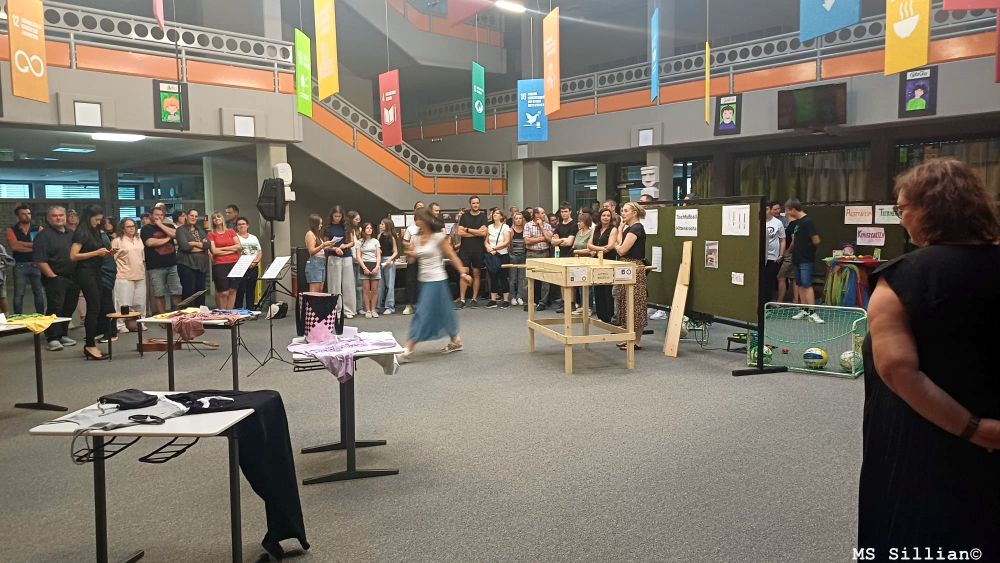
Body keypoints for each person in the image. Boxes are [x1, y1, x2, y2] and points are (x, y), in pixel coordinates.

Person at [858, 159, 1000, 556]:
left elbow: (897, 369)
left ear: (929, 210)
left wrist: (975, 429)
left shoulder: (902, 277)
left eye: (902, 209)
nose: (901, 218)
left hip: (922, 446)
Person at [397, 207, 473, 363]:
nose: (417, 221)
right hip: (424, 281)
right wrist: (410, 253)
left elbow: (451, 255)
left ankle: (408, 349)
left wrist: (463, 273)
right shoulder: (416, 238)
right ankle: (456, 340)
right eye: (416, 218)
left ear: (426, 220)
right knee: (443, 312)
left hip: (437, 280)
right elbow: (412, 260)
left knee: (422, 313)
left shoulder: (438, 237)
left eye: (419, 218)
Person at [69, 205, 112, 360]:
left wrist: (107, 253)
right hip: (84, 272)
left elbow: (95, 252)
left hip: (95, 270)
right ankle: (89, 345)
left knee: (97, 307)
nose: (98, 222)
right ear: (88, 217)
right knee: (93, 308)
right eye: (96, 219)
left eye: (100, 219)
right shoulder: (81, 232)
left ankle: (91, 343)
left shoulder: (95, 231)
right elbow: (73, 256)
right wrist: (96, 253)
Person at [33, 207, 79, 351]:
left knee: (69, 307)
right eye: (54, 216)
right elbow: (40, 260)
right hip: (54, 277)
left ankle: (63, 334)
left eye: (61, 215)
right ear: (48, 218)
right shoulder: (43, 236)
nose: (58, 218)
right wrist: (53, 277)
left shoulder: (71, 234)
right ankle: (52, 338)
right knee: (55, 307)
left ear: (65, 217)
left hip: (73, 277)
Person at [613, 202, 648, 350]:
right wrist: (620, 229)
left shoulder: (637, 228)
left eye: (626, 211)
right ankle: (629, 338)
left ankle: (636, 341)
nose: (623, 213)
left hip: (634, 267)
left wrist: (616, 246)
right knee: (625, 302)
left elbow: (621, 249)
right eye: (622, 210)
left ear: (634, 212)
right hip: (625, 266)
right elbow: (620, 244)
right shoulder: (629, 228)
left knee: (635, 303)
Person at [785, 199, 823, 323]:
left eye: (787, 210)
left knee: (807, 284)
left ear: (793, 209)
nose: (786, 213)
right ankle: (804, 309)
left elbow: (816, 240)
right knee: (800, 284)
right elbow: (795, 240)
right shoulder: (798, 223)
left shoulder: (808, 221)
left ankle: (812, 312)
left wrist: (807, 249)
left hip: (806, 259)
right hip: (796, 258)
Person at [141, 206, 181, 314]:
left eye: (162, 215)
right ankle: (162, 318)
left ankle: (177, 315)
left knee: (177, 291)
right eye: (157, 215)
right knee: (159, 293)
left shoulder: (169, 225)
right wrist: (168, 238)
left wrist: (160, 225)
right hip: (155, 267)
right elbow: (150, 243)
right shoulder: (146, 228)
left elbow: (176, 234)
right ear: (151, 216)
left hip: (172, 264)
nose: (159, 217)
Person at [6, 204, 45, 315]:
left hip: (37, 264)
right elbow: (14, 247)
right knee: (19, 294)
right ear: (18, 216)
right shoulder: (11, 230)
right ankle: (18, 317)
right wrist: (33, 246)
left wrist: (22, 243)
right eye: (23, 214)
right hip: (20, 265)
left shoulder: (38, 228)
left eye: (28, 213)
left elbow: (41, 246)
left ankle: (41, 317)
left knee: (39, 293)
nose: (27, 216)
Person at [111, 218, 146, 333]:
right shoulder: (117, 241)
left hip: (140, 274)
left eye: (133, 226)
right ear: (122, 228)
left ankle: (140, 323)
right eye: (128, 226)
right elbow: (112, 259)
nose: (132, 228)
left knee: (140, 303)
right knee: (123, 303)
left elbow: (142, 257)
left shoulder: (138, 239)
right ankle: (120, 325)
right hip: (123, 275)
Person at [455, 195, 488, 309]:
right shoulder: (464, 216)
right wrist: (477, 232)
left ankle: (474, 299)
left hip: (478, 249)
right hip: (465, 249)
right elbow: (460, 232)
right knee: (464, 273)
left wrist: (468, 230)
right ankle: (462, 299)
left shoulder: (483, 216)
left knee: (476, 273)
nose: (476, 205)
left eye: (477, 203)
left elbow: (484, 233)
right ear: (470, 204)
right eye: (473, 203)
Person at [325, 206, 357, 319]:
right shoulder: (327, 227)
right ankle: (336, 311)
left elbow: (352, 242)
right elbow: (325, 245)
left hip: (346, 256)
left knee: (348, 284)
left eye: (339, 216)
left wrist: (344, 246)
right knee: (334, 285)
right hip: (333, 257)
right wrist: (335, 249)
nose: (337, 218)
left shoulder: (347, 226)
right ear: (332, 216)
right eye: (335, 216)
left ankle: (349, 310)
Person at [588, 208, 620, 323]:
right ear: (600, 217)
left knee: (607, 290)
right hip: (597, 262)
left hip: (608, 261)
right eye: (603, 215)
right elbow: (589, 245)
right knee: (598, 288)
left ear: (611, 218)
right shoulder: (596, 228)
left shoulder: (613, 229)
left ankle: (609, 316)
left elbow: (610, 246)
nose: (606, 217)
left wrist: (596, 249)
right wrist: (600, 249)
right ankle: (601, 316)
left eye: (608, 215)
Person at [174, 209, 209, 307]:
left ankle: (200, 314)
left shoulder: (200, 230)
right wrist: (201, 246)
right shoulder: (180, 230)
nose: (194, 218)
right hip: (187, 265)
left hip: (201, 266)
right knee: (189, 293)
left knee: (200, 293)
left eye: (196, 216)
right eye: (191, 215)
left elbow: (208, 245)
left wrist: (193, 243)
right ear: (186, 216)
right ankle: (187, 315)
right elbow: (185, 247)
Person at [207, 211, 241, 310]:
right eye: (214, 218)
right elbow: (214, 251)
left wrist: (221, 249)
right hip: (220, 264)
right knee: (223, 292)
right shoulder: (211, 234)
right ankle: (223, 314)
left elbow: (239, 246)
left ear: (222, 219)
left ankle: (229, 314)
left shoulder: (231, 231)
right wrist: (232, 249)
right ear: (212, 221)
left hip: (234, 263)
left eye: (218, 217)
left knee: (232, 290)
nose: (216, 219)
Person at [524, 207, 554, 311]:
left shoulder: (547, 226)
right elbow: (527, 241)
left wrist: (541, 226)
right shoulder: (528, 225)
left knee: (545, 279)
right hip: (531, 253)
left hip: (545, 253)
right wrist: (542, 238)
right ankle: (529, 302)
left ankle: (543, 302)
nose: (544, 215)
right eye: (542, 213)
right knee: (529, 279)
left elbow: (549, 239)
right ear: (536, 215)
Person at [400, 201, 425, 315]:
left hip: (424, 258)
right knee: (410, 281)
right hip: (413, 258)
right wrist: (410, 246)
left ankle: (422, 305)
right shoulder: (410, 228)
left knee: (423, 282)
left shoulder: (429, 228)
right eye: (418, 207)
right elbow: (405, 241)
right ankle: (409, 305)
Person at [485, 208, 511, 309]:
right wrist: (489, 249)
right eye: (493, 213)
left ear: (501, 216)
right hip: (492, 255)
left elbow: (506, 241)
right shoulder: (489, 227)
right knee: (493, 277)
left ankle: (506, 300)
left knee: (503, 277)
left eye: (497, 213)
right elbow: (486, 241)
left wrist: (494, 248)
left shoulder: (505, 227)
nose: (494, 215)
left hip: (502, 255)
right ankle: (493, 300)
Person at [234, 217, 262, 310]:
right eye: (239, 224)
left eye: (243, 224)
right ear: (236, 226)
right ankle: (239, 309)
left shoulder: (254, 237)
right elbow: (234, 253)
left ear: (247, 225)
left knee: (251, 289)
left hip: (253, 267)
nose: (241, 226)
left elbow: (259, 251)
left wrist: (255, 262)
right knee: (240, 290)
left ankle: (250, 309)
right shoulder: (235, 238)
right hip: (240, 267)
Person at [569, 213, 595, 315]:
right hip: (577, 261)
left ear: (586, 222)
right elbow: (574, 245)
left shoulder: (592, 232)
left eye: (580, 221)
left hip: (588, 261)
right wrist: (574, 251)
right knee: (580, 284)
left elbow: (590, 249)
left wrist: (576, 252)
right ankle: (581, 306)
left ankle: (589, 307)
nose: (578, 223)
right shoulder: (578, 232)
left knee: (588, 285)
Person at [355, 222, 382, 319]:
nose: (369, 229)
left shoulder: (375, 241)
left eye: (371, 228)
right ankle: (368, 310)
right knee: (366, 290)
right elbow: (358, 256)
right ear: (363, 230)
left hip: (375, 265)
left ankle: (373, 309)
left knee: (374, 290)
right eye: (367, 228)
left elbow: (378, 255)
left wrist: (377, 266)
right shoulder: (359, 242)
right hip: (364, 265)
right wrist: (364, 268)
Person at [304, 214, 333, 293]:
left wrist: (329, 246)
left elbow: (320, 249)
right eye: (320, 223)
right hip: (315, 263)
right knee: (315, 291)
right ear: (315, 224)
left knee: (320, 289)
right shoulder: (310, 234)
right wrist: (323, 245)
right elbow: (311, 251)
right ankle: (312, 302)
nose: (321, 225)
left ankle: (317, 302)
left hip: (321, 262)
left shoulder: (317, 235)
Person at [764, 201, 786, 303]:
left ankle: (770, 301)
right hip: (760, 256)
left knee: (771, 281)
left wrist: (781, 255)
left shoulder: (778, 223)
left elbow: (782, 239)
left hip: (773, 257)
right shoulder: (758, 221)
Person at [376, 218, 399, 315]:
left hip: (389, 261)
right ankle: (377, 306)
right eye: (380, 224)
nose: (380, 225)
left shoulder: (392, 237)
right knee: (380, 285)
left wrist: (390, 259)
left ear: (387, 225)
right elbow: (377, 248)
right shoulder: (379, 236)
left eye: (382, 224)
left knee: (390, 285)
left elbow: (395, 252)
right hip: (380, 260)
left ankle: (389, 306)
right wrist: (378, 251)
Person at [507, 211, 527, 307]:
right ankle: (513, 297)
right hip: (513, 256)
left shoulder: (525, 230)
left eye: (520, 218)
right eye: (516, 218)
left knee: (521, 278)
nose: (518, 220)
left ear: (522, 220)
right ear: (513, 220)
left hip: (523, 256)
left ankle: (519, 296)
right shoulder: (510, 231)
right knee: (512, 278)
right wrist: (510, 254)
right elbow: (508, 244)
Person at [347, 210, 364, 313]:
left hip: (359, 259)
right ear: (351, 219)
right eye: (356, 219)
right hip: (350, 259)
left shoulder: (360, 230)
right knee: (350, 285)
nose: (358, 221)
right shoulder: (347, 230)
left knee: (359, 285)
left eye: (359, 219)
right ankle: (351, 307)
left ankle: (360, 307)